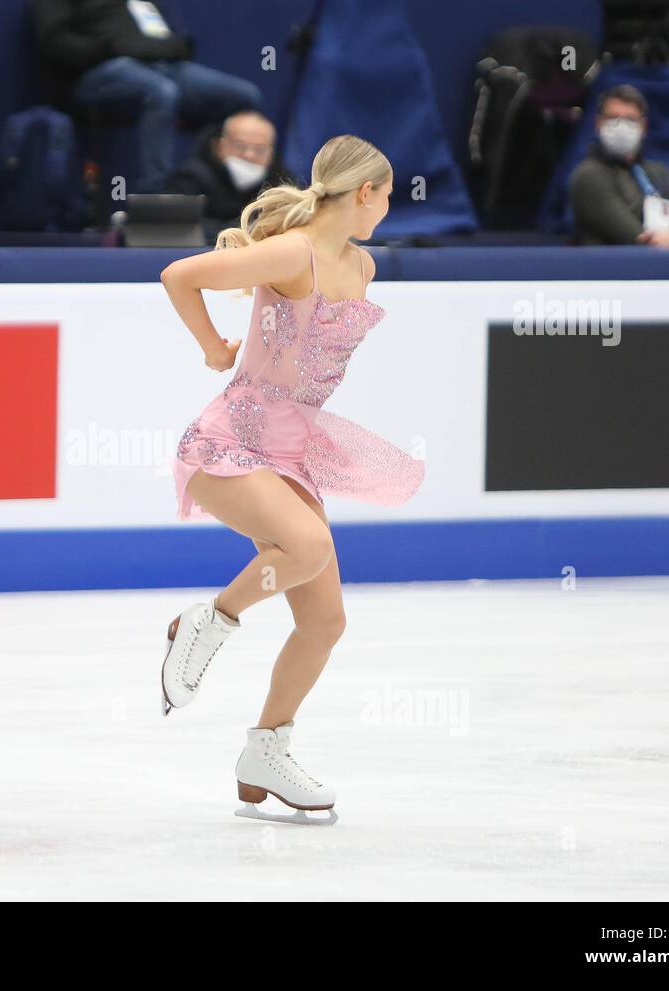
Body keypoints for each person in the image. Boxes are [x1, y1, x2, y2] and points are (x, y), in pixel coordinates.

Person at [159, 134, 425, 825]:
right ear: (364, 192)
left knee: (326, 620)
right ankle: (210, 619)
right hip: (232, 438)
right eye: (388, 195)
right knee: (304, 548)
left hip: (294, 447)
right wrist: (213, 347)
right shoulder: (292, 251)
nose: (390, 208)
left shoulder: (361, 264)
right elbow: (178, 276)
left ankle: (265, 749)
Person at [30, 0, 263, 192]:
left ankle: (208, 187)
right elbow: (56, 44)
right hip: (100, 71)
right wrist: (110, 47)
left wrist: (168, 48)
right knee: (161, 92)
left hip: (166, 66)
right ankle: (157, 196)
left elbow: (176, 39)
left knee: (244, 96)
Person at [569, 84, 669, 247]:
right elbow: (639, 239)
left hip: (658, 268)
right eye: (613, 118)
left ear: (644, 127)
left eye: (630, 119)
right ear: (598, 124)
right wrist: (667, 239)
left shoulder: (659, 173)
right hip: (609, 270)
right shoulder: (588, 175)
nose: (621, 127)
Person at [165, 111, 300, 241]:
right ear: (220, 146)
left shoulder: (282, 185)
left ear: (271, 154)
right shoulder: (191, 177)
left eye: (260, 150)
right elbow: (180, 227)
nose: (249, 155)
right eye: (240, 146)